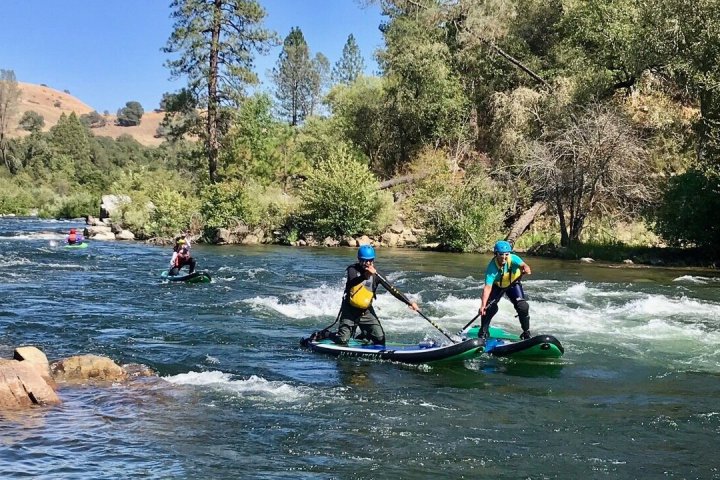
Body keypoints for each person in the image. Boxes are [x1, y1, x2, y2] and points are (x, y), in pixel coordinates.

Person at [325, 245, 419, 346]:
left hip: (366, 311)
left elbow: (393, 290)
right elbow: (352, 282)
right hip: (349, 310)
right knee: (342, 341)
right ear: (359, 260)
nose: (368, 263)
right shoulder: (352, 269)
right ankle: (327, 334)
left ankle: (364, 336)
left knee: (380, 339)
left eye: (370, 260)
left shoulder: (377, 275)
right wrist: (365, 276)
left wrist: (409, 302)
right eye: (364, 261)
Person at [477, 240, 533, 340]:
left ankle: (526, 332)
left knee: (523, 306)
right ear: (496, 254)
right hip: (498, 286)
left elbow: (524, 265)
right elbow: (488, 287)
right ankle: (483, 332)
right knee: (489, 308)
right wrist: (483, 305)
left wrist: (526, 268)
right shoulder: (492, 268)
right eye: (500, 254)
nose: (504, 257)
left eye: (506, 254)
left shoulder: (514, 258)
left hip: (513, 284)